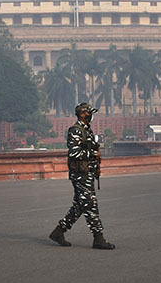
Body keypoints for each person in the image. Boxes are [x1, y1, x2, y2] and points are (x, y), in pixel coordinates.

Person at [49, 103, 115, 250]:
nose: (91, 116)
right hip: (80, 175)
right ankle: (98, 238)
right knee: (90, 204)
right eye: (89, 113)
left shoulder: (87, 130)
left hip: (88, 173)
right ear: (82, 114)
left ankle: (58, 232)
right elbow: (74, 153)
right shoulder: (75, 130)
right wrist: (93, 154)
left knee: (79, 206)